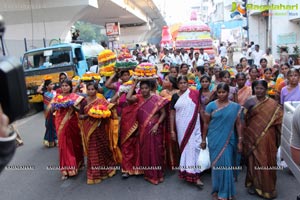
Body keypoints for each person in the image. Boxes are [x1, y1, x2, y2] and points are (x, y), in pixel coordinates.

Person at [201, 83, 243, 200]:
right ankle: (217, 189)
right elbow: (206, 124)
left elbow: (238, 124)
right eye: (219, 92)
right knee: (216, 166)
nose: (221, 94)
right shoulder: (210, 106)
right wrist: (203, 140)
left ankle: (226, 192)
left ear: (228, 92)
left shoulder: (235, 107)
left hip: (228, 139)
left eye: (223, 92)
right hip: (214, 138)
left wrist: (240, 140)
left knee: (226, 165)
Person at [243, 80, 283, 199]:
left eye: (261, 88)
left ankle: (268, 188)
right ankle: (253, 184)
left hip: (268, 137)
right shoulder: (250, 101)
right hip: (252, 135)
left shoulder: (273, 104)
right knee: (253, 161)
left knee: (267, 160)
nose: (259, 91)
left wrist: (281, 139)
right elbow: (243, 118)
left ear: (266, 90)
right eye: (257, 88)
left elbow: (279, 121)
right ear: (254, 89)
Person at [126, 80, 168, 185]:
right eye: (142, 88)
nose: (144, 90)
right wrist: (134, 84)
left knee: (156, 151)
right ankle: (149, 174)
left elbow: (163, 113)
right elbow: (128, 98)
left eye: (146, 88)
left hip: (154, 129)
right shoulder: (138, 98)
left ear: (150, 88)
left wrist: (157, 124)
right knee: (146, 151)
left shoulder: (157, 99)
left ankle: (158, 174)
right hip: (143, 129)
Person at [79, 82, 118, 184]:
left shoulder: (100, 100)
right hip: (89, 129)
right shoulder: (84, 101)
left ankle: (106, 169)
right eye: (89, 89)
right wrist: (89, 115)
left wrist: (101, 114)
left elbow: (109, 110)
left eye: (93, 89)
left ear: (96, 90)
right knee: (93, 151)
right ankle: (95, 174)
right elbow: (80, 115)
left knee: (103, 148)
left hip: (100, 128)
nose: (91, 91)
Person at [170, 75, 204, 187]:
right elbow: (172, 113)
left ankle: (194, 173)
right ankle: (190, 173)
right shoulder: (174, 97)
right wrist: (172, 130)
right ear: (177, 85)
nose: (183, 85)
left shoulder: (194, 94)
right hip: (181, 126)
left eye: (185, 82)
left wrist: (206, 123)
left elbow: (199, 109)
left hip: (195, 124)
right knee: (186, 148)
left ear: (188, 84)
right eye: (181, 83)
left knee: (195, 147)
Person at [52, 79, 84, 180]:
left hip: (72, 122)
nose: (64, 87)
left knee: (75, 144)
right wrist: (57, 105)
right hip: (60, 122)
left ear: (70, 86)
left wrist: (72, 106)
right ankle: (66, 170)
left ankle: (78, 163)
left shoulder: (75, 97)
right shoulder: (58, 97)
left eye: (66, 85)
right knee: (63, 145)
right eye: (63, 86)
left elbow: (80, 110)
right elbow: (53, 109)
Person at [160, 75, 180, 169]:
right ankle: (169, 162)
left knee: (177, 137)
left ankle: (179, 161)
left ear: (171, 83)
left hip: (178, 118)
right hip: (166, 118)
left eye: (166, 80)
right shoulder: (163, 92)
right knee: (167, 138)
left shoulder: (178, 93)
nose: (164, 81)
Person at [37, 78, 58, 147]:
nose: (52, 85)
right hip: (47, 112)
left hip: (54, 111)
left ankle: (54, 139)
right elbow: (38, 90)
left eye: (53, 84)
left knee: (54, 125)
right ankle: (50, 140)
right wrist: (42, 84)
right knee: (49, 126)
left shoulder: (55, 93)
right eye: (51, 84)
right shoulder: (45, 93)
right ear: (47, 86)